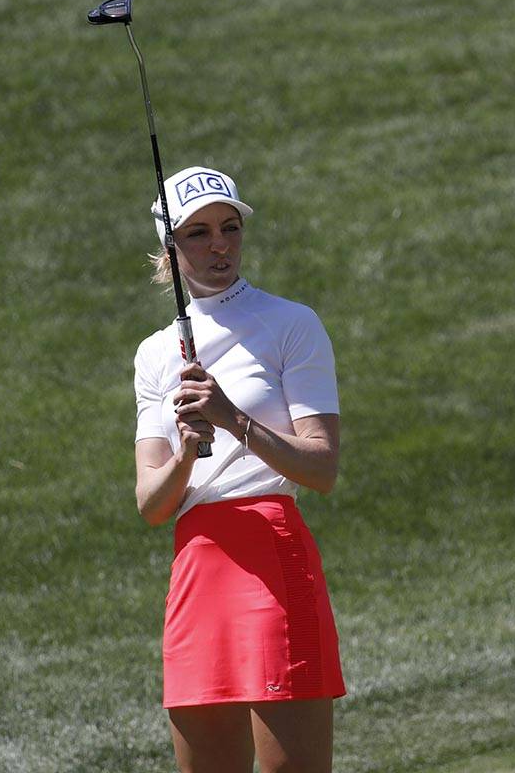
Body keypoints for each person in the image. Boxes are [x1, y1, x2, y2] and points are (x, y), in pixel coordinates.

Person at [133, 166, 346, 773]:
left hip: (273, 556)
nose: (219, 243)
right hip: (197, 566)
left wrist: (232, 419)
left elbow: (322, 467)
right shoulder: (154, 353)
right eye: (198, 233)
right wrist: (183, 452)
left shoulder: (291, 324)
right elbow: (152, 504)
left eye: (230, 227)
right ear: (170, 247)